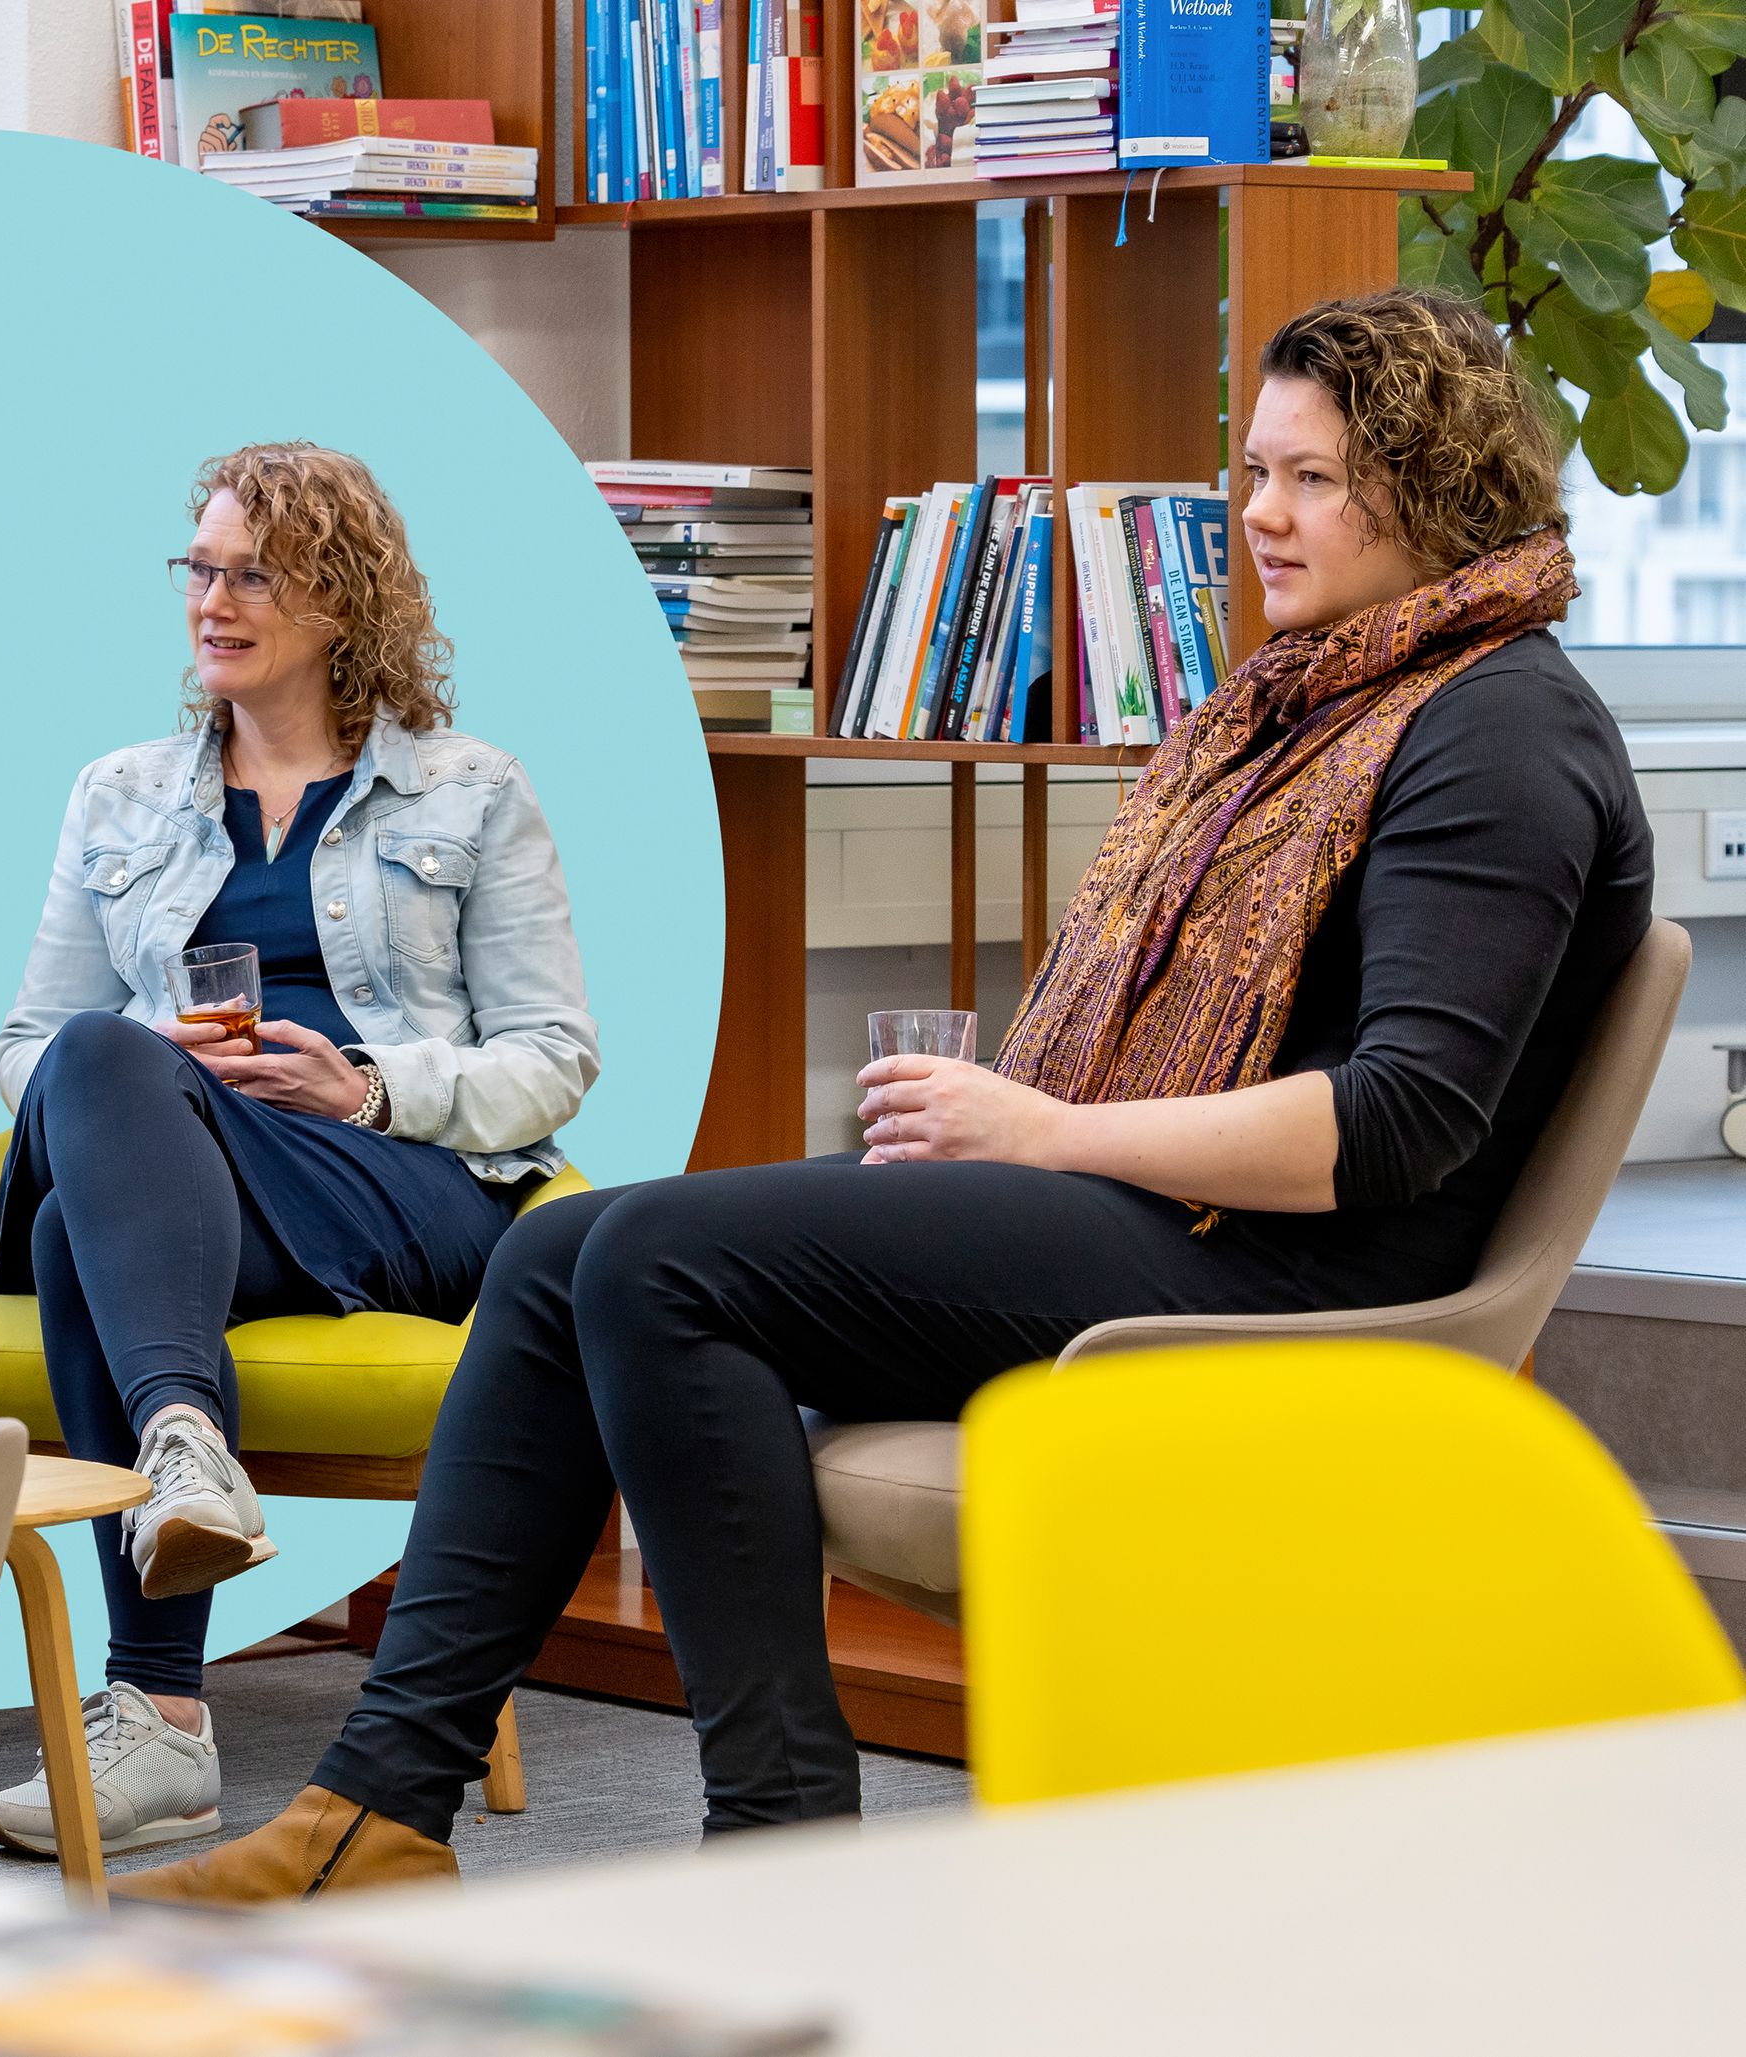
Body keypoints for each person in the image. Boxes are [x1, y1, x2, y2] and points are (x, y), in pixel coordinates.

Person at [126, 287, 1651, 1902]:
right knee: (568, 1249)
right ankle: (379, 1808)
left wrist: (1044, 1133)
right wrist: (1031, 1131)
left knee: (653, 1262)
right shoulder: (1313, 703)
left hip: (1302, 1272)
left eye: (1315, 478)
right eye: (1257, 471)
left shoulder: (1498, 730)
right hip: (1180, 1213)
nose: (1260, 515)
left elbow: (1400, 1122)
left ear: (1435, 483)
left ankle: (773, 1837)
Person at [0, 442, 598, 1862]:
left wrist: (363, 1084)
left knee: (82, 1225)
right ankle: (185, 1452)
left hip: (394, 1175)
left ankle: (157, 1710)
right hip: (182, 1173)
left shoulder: (471, 791)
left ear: (342, 599)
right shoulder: (120, 793)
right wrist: (156, 1072)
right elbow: (29, 1047)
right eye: (200, 569)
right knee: (98, 1073)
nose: (215, 600)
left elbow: (553, 1055)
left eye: (255, 574)